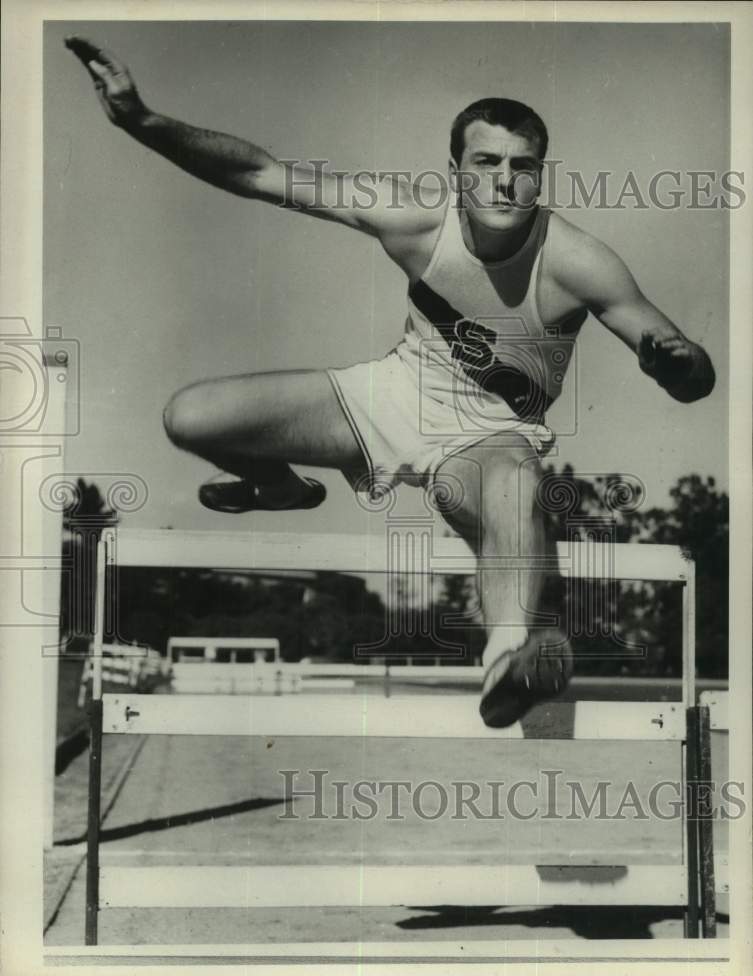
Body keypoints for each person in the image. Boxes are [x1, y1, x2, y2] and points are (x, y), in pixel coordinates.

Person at [66, 36, 715, 728]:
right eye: (485, 161)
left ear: (541, 176)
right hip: (388, 395)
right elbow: (261, 174)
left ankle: (505, 658)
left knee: (511, 483)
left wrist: (677, 364)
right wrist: (143, 121)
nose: (503, 181)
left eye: (522, 167)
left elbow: (691, 377)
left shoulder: (580, 262)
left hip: (487, 433)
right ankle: (284, 489)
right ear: (456, 170)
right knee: (189, 417)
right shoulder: (412, 219)